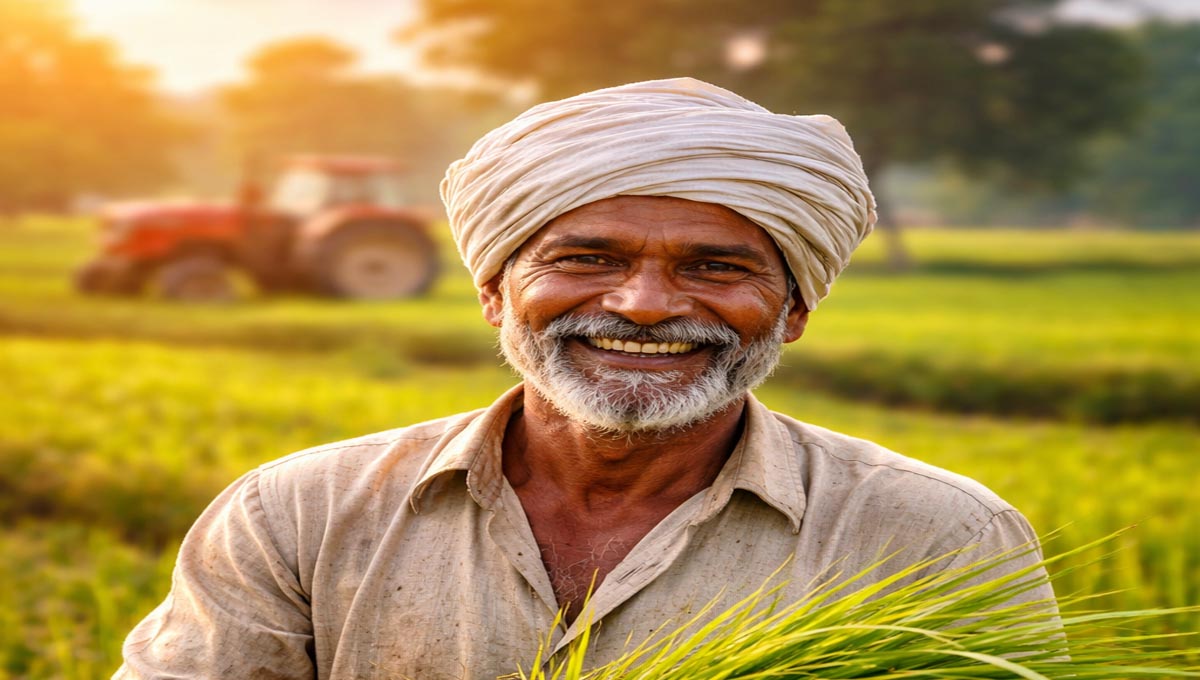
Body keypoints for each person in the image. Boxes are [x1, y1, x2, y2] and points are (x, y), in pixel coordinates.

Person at [115, 78, 1056, 679]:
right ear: (495, 293)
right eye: (586, 256)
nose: (645, 305)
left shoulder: (935, 536)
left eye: (716, 268)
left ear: (795, 309)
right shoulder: (297, 516)